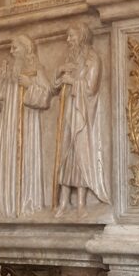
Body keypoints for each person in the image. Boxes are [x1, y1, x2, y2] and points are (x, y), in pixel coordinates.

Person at [0, 35, 51, 217]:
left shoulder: (35, 68)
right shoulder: (9, 73)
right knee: (8, 156)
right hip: (8, 123)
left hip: (27, 123)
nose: (11, 51)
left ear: (25, 49)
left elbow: (46, 94)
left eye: (15, 48)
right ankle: (5, 202)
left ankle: (25, 202)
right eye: (11, 48)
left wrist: (30, 85)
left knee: (24, 156)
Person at [53, 23, 110, 215]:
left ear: (82, 37)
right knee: (65, 154)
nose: (68, 40)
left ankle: (81, 204)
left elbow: (91, 87)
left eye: (71, 36)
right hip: (69, 112)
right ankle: (62, 202)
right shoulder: (70, 58)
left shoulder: (91, 57)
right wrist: (60, 73)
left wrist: (72, 82)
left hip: (82, 114)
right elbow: (55, 85)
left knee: (81, 155)